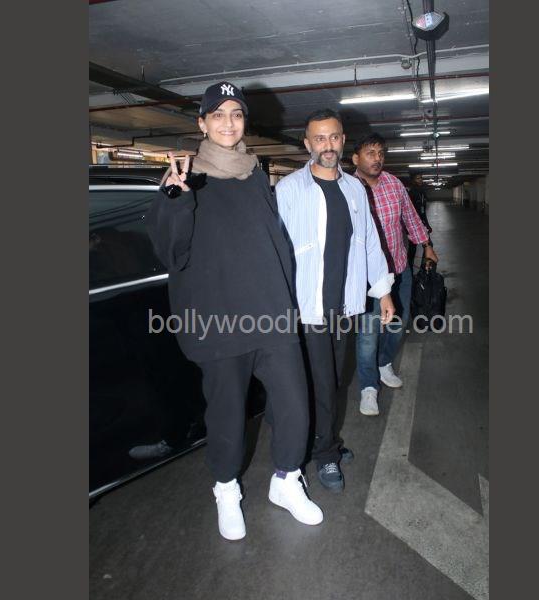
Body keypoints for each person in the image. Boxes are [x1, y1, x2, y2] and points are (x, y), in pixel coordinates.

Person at [145, 81, 323, 541]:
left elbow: (274, 242)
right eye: (218, 115)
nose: (229, 123)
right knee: (227, 418)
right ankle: (226, 490)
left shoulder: (255, 175)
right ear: (202, 124)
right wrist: (177, 200)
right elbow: (170, 253)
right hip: (219, 322)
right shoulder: (184, 181)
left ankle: (287, 480)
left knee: (295, 406)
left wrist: (288, 301)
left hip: (271, 314)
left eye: (237, 114)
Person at [276, 109, 394, 492]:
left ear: (343, 141)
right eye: (319, 138)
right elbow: (275, 249)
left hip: (344, 305)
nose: (327, 145)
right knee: (321, 383)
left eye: (333, 137)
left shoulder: (355, 189)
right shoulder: (289, 189)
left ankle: (323, 439)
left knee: (334, 380)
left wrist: (383, 290)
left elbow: (369, 242)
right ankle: (325, 453)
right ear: (307, 143)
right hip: (306, 306)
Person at [352, 133, 439, 415]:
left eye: (380, 153)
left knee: (399, 323)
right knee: (368, 333)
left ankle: (384, 363)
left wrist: (426, 245)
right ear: (355, 158)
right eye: (370, 153)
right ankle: (368, 387)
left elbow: (410, 218)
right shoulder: (347, 188)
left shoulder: (394, 184)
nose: (377, 158)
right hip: (368, 277)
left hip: (399, 268)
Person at [406, 173, 433, 269]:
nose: (420, 180)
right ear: (413, 180)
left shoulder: (422, 192)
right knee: (413, 248)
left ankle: (424, 268)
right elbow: (407, 210)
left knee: (428, 245)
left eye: (421, 178)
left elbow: (423, 211)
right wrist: (407, 228)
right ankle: (409, 269)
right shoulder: (411, 193)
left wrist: (427, 224)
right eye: (418, 178)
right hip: (413, 224)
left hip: (421, 223)